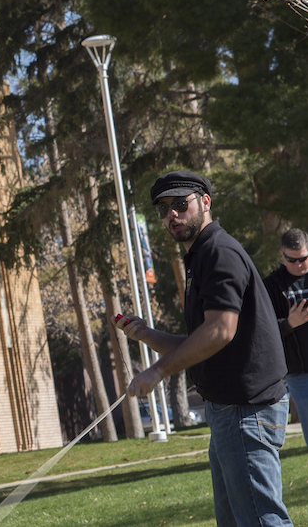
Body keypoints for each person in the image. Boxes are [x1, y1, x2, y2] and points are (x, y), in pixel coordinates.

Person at [118, 170, 292, 527]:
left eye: (181, 204)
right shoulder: (201, 256)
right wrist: (146, 334)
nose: (172, 215)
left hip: (246, 411)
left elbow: (220, 331)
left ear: (205, 202)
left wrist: (158, 371)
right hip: (229, 411)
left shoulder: (217, 251)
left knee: (261, 521)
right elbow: (203, 342)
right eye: (163, 209)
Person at [263, 228, 308, 448]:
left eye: (303, 258)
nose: (299, 265)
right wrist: (290, 323)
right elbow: (263, 329)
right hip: (299, 371)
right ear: (282, 255)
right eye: (292, 260)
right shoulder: (271, 286)